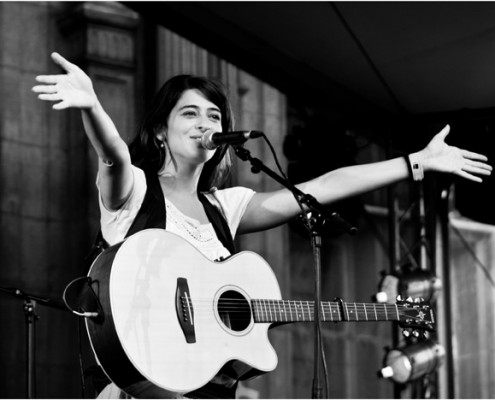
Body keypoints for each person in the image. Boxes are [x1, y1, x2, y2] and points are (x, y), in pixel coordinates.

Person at [33, 52, 491, 399]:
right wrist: (91, 105)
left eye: (214, 115)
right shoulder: (134, 191)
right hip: (139, 382)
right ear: (159, 132)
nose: (204, 123)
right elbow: (112, 154)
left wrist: (415, 163)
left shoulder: (225, 207)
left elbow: (321, 187)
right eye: (189, 113)